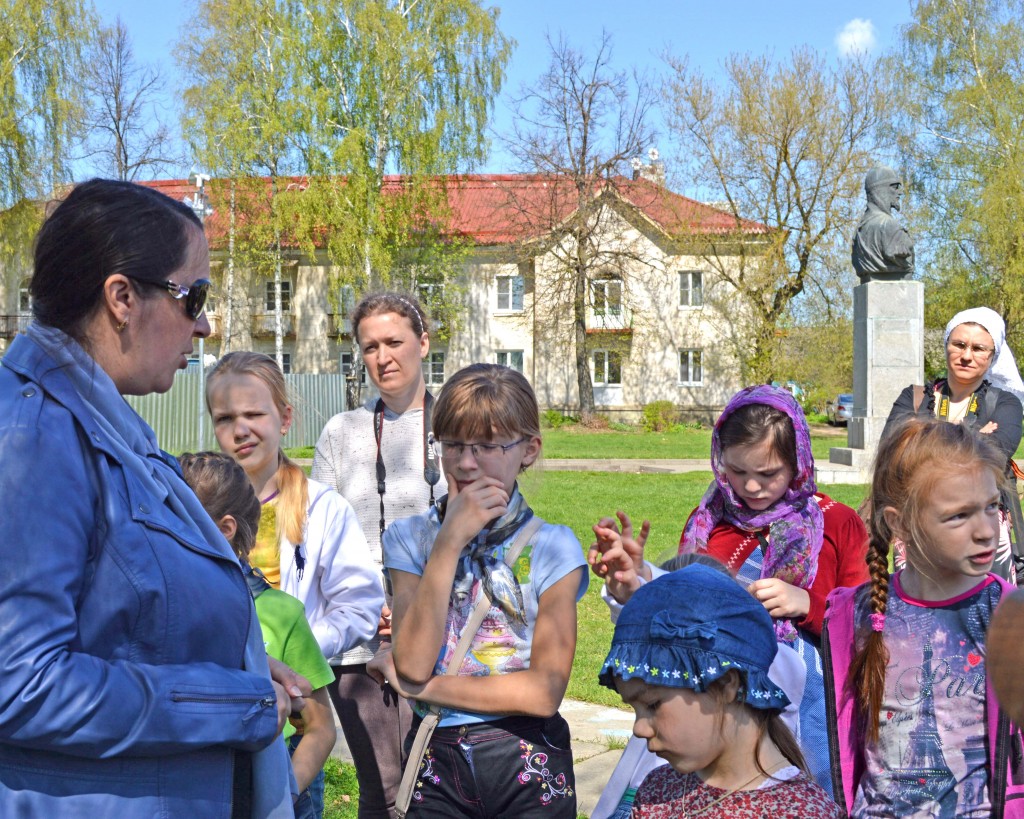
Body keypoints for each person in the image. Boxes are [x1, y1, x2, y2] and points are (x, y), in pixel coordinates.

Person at [0, 179, 299, 816]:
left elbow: (119, 621)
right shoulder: (33, 439)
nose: (205, 325)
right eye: (194, 297)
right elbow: (19, 683)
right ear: (121, 298)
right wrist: (230, 702)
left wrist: (231, 659)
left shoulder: (99, 423)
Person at [590, 384, 870, 794]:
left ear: (799, 462)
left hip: (813, 712)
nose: (752, 488)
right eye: (737, 472)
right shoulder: (709, 523)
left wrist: (809, 604)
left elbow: (869, 620)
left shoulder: (837, 524)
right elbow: (681, 615)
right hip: (714, 712)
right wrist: (638, 583)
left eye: (769, 473)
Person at [370, 363, 588, 817]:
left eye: (488, 446)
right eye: (452, 445)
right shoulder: (411, 539)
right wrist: (448, 544)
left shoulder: (552, 546)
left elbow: (544, 692)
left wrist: (425, 688)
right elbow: (410, 658)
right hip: (437, 754)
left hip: (527, 752)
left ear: (529, 450)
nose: (466, 463)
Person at [206, 351, 384, 814]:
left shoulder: (322, 509)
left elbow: (361, 604)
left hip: (294, 733)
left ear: (284, 418)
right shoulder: (194, 515)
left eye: (253, 414)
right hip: (216, 725)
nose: (240, 429)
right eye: (225, 418)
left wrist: (298, 645)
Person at [822, 418, 1024, 817]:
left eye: (991, 507)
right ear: (899, 523)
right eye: (959, 516)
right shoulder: (857, 613)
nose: (986, 530)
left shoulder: (1008, 614)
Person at [311, 292, 447, 818]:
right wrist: (376, 599)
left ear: (423, 342)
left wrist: (414, 601)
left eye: (395, 341)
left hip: (441, 636)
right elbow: (320, 538)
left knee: (437, 789)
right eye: (370, 347)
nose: (383, 357)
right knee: (384, 790)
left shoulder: (455, 424)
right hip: (360, 646)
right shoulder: (341, 433)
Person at [601, 564, 840, 818]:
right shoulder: (657, 790)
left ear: (727, 684)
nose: (639, 728)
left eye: (652, 705)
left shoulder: (802, 813)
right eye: (634, 709)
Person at [179, 451, 338, 819]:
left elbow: (320, 727)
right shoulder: (162, 609)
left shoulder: (281, 612)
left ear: (225, 529)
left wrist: (281, 792)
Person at [882, 306, 1024, 581]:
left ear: (992, 356)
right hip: (917, 522)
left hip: (980, 528)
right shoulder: (913, 397)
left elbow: (993, 457)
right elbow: (894, 454)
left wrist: (923, 439)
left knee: (983, 616)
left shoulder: (1005, 404)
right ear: (947, 345)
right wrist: (973, 439)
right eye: (959, 344)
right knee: (921, 613)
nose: (967, 356)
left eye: (979, 348)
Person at [851, 165, 914, 282]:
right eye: (895, 187)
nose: (899, 192)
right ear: (881, 190)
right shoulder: (888, 225)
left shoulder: (860, 230)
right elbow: (906, 258)